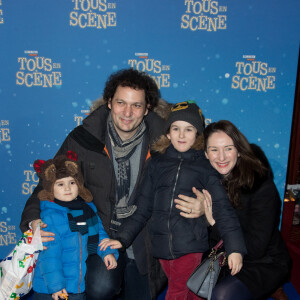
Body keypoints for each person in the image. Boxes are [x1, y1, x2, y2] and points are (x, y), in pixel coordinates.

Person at [21, 68, 196, 300]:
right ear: (109, 103)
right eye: (121, 102)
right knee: (100, 287)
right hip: (98, 232)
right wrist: (33, 220)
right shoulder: (85, 139)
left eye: (136, 105)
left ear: (147, 109)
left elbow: (198, 173)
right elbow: (49, 183)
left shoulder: (166, 143)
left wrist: (201, 203)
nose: (127, 112)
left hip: (143, 238)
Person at [100, 102, 247, 300]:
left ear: (197, 135)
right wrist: (122, 239)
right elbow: (142, 208)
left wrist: (234, 248)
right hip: (161, 247)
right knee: (191, 292)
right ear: (168, 133)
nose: (182, 134)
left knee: (177, 291)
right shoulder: (157, 163)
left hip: (190, 245)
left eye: (189, 129)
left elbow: (223, 209)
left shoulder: (204, 167)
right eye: (176, 128)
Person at [200, 120, 291, 300]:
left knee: (222, 295)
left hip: (262, 261)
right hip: (223, 256)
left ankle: (271, 287)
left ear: (239, 150)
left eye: (228, 148)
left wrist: (213, 223)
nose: (221, 157)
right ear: (205, 154)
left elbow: (256, 248)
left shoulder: (260, 185)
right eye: (214, 150)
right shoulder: (206, 180)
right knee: (190, 282)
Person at [32, 151, 118, 300]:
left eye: (72, 183)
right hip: (50, 289)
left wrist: (107, 252)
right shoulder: (50, 217)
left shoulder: (87, 209)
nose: (67, 188)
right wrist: (56, 286)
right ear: (50, 188)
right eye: (60, 184)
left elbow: (99, 234)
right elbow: (49, 257)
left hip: (76, 285)